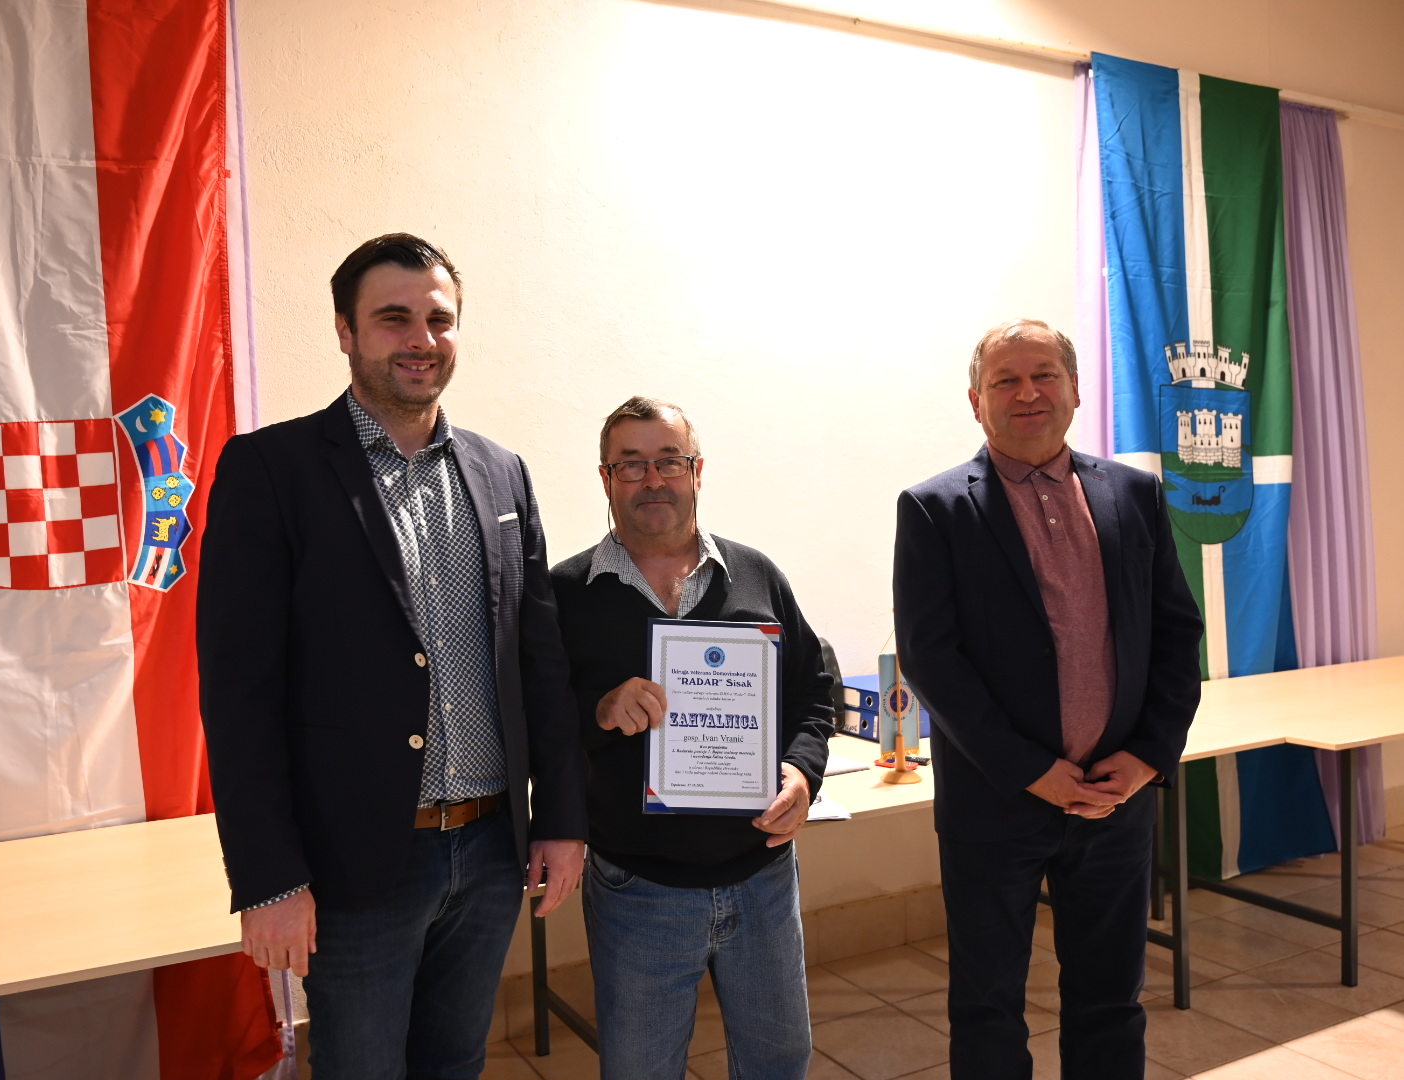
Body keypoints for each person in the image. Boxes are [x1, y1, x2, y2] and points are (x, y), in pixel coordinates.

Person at [197, 233, 586, 1079]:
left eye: (439, 320)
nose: (421, 339)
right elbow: (238, 695)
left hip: (490, 851)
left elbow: (540, 666)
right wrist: (268, 879)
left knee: (455, 1064)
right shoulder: (272, 469)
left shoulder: (502, 473)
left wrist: (560, 820)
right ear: (345, 331)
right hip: (357, 862)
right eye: (393, 318)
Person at [893, 319, 1205, 1079]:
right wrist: (1031, 770)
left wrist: (1147, 758)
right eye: (1005, 380)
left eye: (1044, 375)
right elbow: (932, 659)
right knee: (988, 1006)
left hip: (1115, 799)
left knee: (1111, 999)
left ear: (1074, 389)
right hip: (996, 803)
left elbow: (1176, 635)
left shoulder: (1134, 494)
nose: (1026, 392)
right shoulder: (935, 508)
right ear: (977, 401)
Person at [549, 396, 833, 1080]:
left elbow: (812, 691)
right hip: (637, 888)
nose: (653, 479)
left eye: (669, 461)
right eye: (631, 464)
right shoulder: (565, 593)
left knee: (778, 1063)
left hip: (762, 875)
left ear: (697, 471)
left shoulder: (757, 575)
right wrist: (598, 709)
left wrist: (802, 771)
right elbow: (536, 722)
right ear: (606, 478)